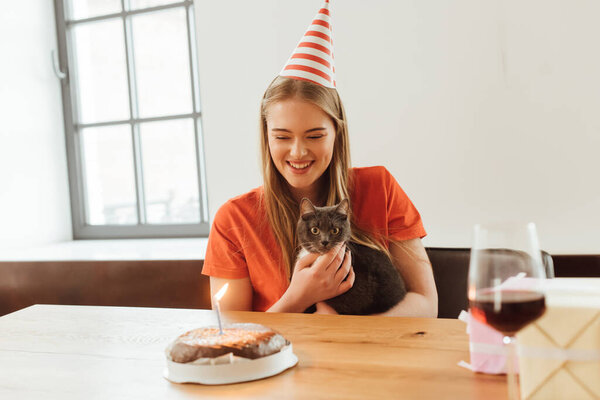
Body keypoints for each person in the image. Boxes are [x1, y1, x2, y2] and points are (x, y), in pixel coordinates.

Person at [201, 0, 437, 317]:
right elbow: (231, 336)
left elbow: (425, 303)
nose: (298, 153)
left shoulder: (379, 188)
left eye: (314, 136)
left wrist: (347, 332)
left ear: (337, 133)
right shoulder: (234, 220)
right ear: (266, 136)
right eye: (282, 137)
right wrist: (298, 297)